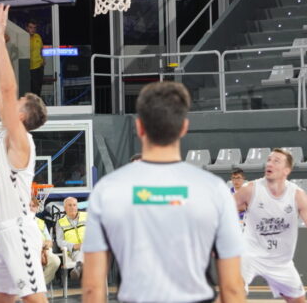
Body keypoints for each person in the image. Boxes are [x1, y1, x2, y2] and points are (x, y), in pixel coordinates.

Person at [82, 81, 245, 303]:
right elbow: (233, 287)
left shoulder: (107, 190)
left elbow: (92, 287)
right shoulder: (214, 190)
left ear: (139, 127)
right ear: (184, 127)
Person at [0, 4, 49, 302]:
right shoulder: (7, 132)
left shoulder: (21, 140)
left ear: (23, 116)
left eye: (21, 101)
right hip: (3, 232)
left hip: (19, 230)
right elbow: (0, 85)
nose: (14, 100)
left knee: (34, 300)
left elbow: (7, 90)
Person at [234, 148, 307, 301]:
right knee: (233, 292)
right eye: (269, 160)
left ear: (287, 170)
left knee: (299, 300)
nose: (270, 164)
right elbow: (222, 212)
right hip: (250, 254)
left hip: (281, 261)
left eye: (276, 161)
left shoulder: (297, 195)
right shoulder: (250, 190)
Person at [30, 198, 60, 287]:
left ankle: (39, 286)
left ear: (37, 208)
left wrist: (44, 245)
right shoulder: (19, 222)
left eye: (33, 206)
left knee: (56, 261)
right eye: (29, 206)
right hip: (27, 252)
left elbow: (50, 241)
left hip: (44, 250)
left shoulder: (41, 222)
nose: (31, 208)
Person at [55, 197, 86, 280]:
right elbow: (59, 241)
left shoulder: (87, 216)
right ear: (65, 208)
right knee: (81, 251)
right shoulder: (60, 222)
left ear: (77, 206)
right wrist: (74, 246)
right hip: (74, 251)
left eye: (74, 205)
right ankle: (80, 266)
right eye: (69, 205)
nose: (72, 207)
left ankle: (78, 267)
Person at [27, 21, 45, 98]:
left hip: (39, 65)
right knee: (34, 88)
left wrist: (43, 59)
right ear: (27, 28)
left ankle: (37, 102)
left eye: (34, 28)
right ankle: (34, 103)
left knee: (39, 86)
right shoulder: (25, 38)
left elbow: (41, 49)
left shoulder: (38, 36)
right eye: (31, 27)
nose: (33, 30)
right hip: (31, 67)